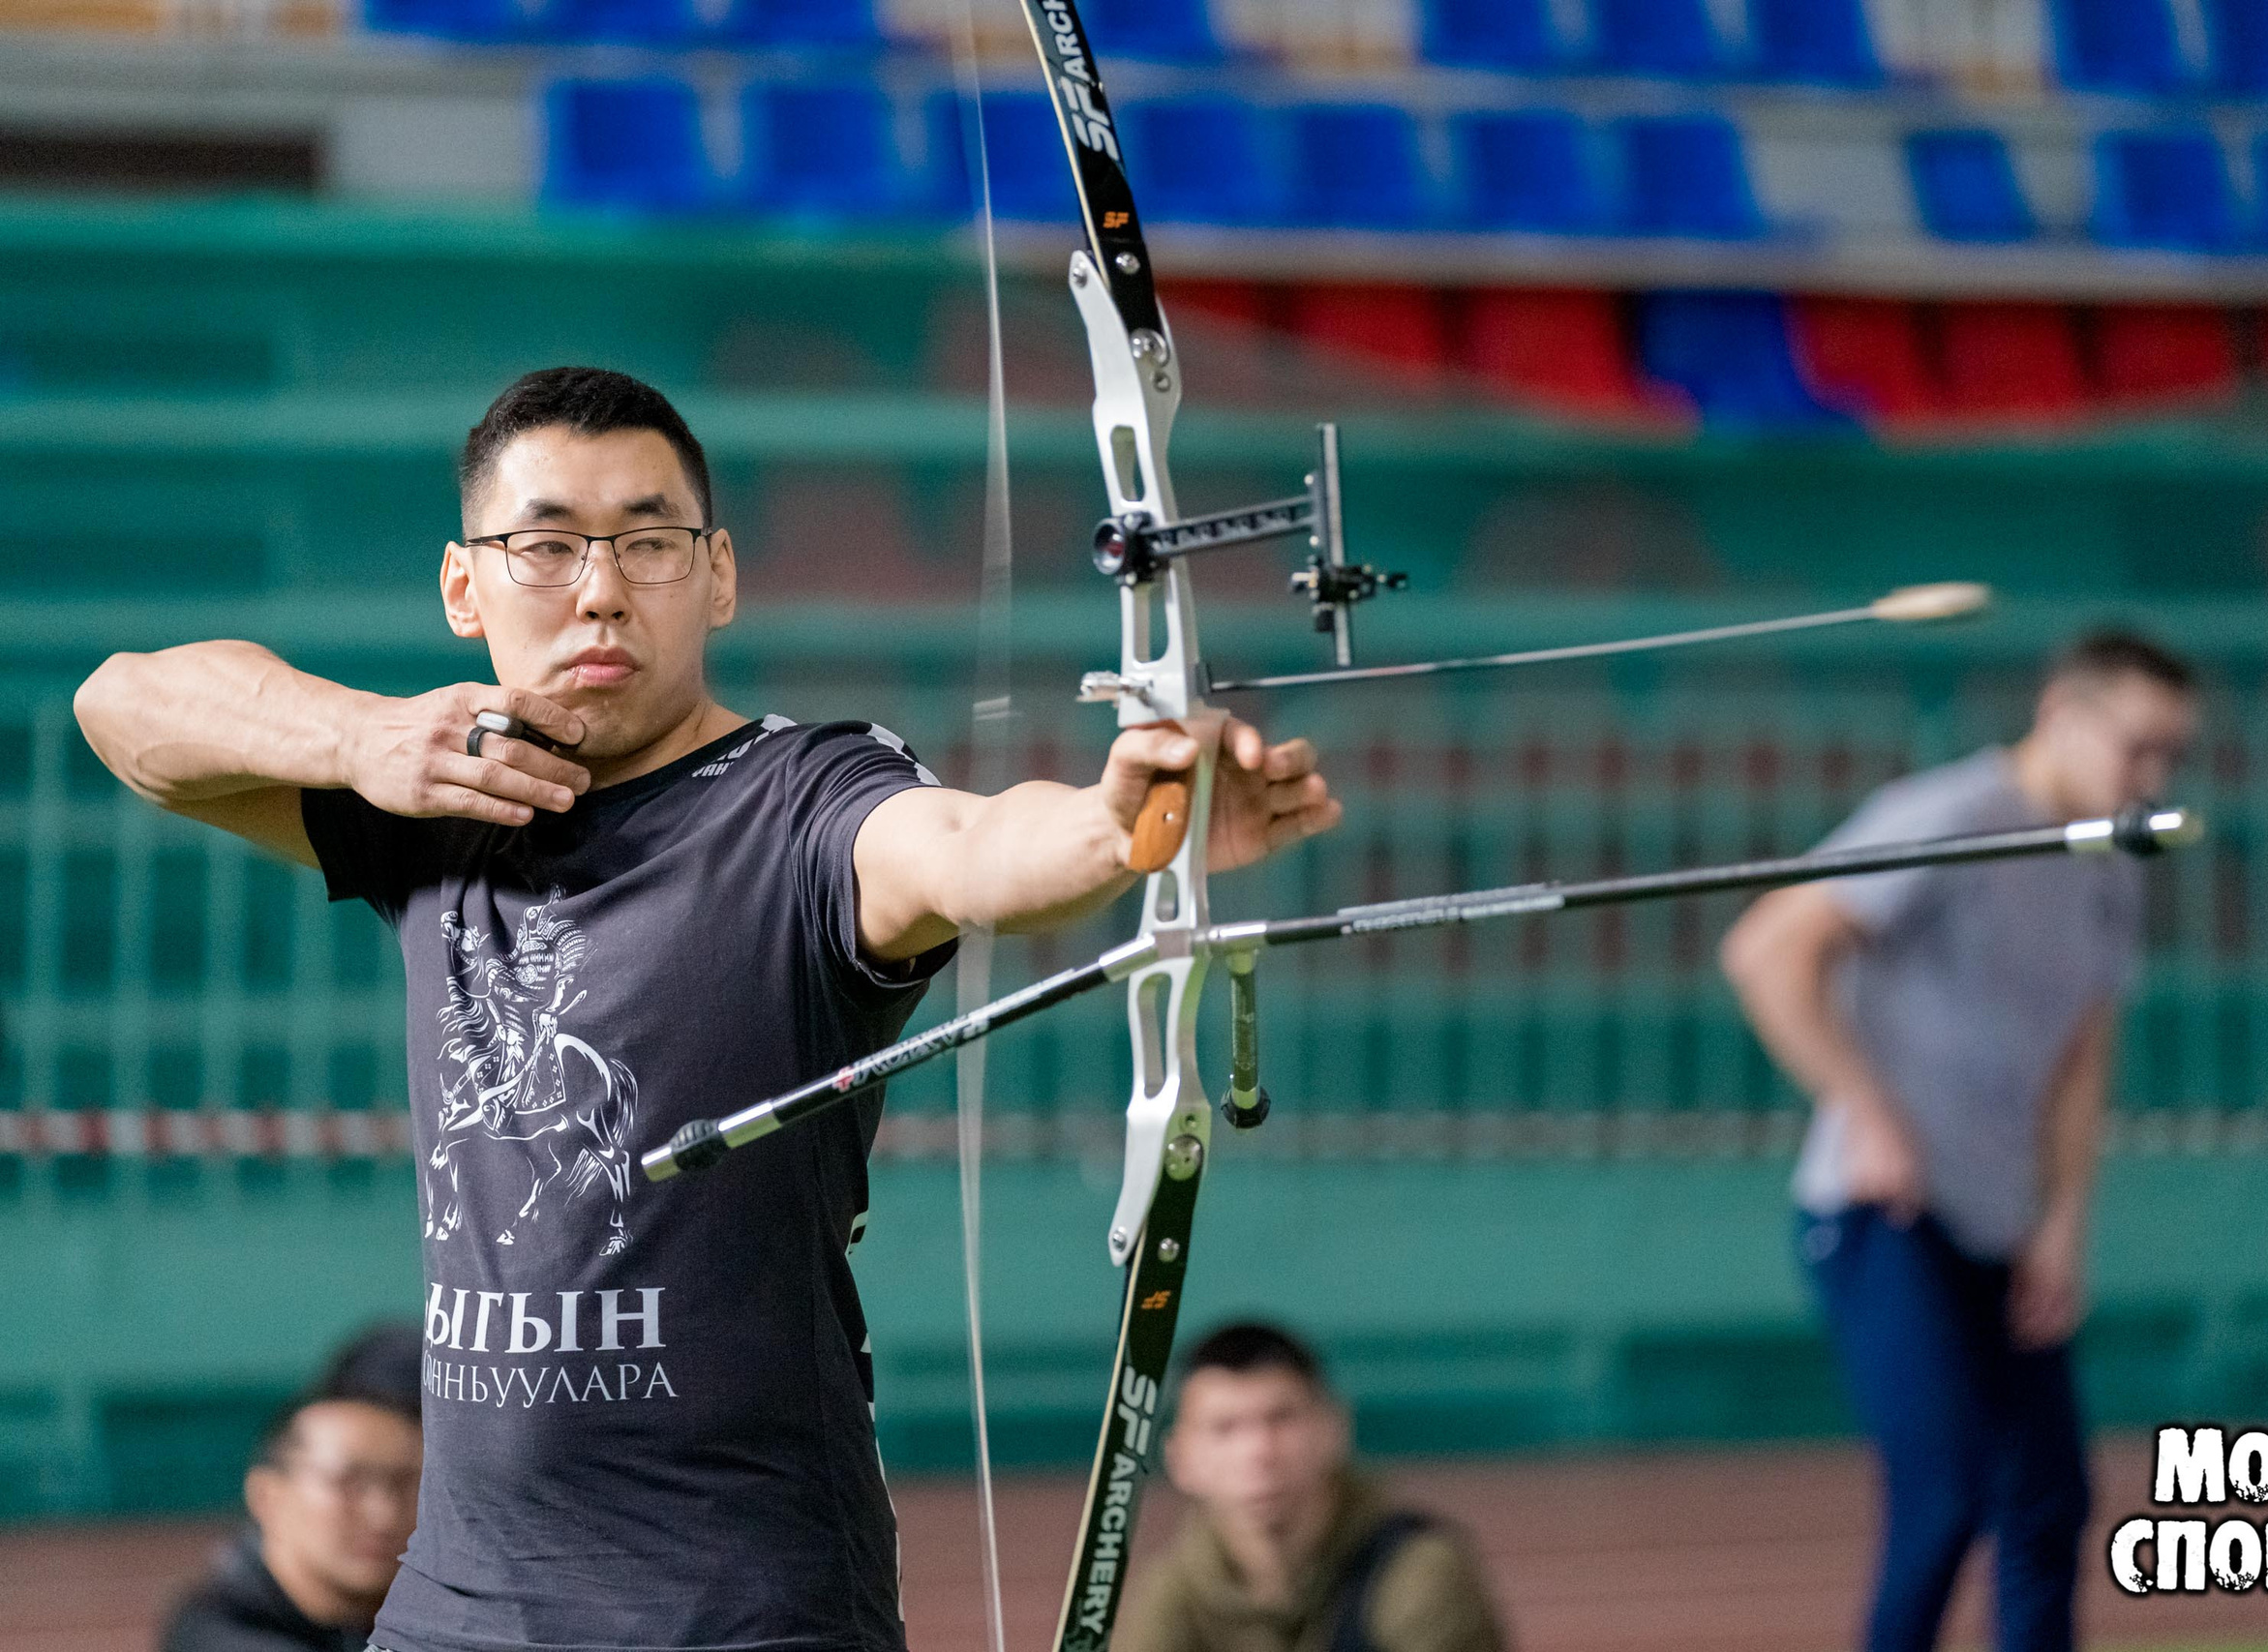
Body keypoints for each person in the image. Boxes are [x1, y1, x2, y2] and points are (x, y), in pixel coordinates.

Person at [78, 366, 1341, 1652]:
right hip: (458, 1610)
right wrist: (361, 739)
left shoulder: (802, 799)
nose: (602, 585)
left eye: (649, 539)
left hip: (739, 1612)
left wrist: (1118, 827)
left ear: (719, 574)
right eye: (547, 542)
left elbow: (967, 846)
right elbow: (122, 703)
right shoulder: (439, 788)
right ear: (466, 586)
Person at [1719, 631, 2197, 1652]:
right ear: (2063, 714)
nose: (2153, 775)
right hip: (1884, 1213)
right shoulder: (1952, 818)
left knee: (2049, 1501)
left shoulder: (2109, 861)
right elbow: (1766, 949)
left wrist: (2063, 1220)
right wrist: (1866, 1107)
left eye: (2173, 754)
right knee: (1942, 1495)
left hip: (2003, 1221)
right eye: (2139, 746)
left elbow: (2081, 1058)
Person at [1118, 1322, 1505, 1652]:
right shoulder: (1167, 1600)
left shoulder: (1416, 1572)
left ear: (1333, 1428)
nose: (1259, 1451)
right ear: (1180, 1458)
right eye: (1225, 1428)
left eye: (1281, 1418)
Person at [163, 1334, 425, 1652]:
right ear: (267, 1498)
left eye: (406, 1483)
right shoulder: (216, 1634)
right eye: (349, 1483)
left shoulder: (402, 1617)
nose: (384, 1514)